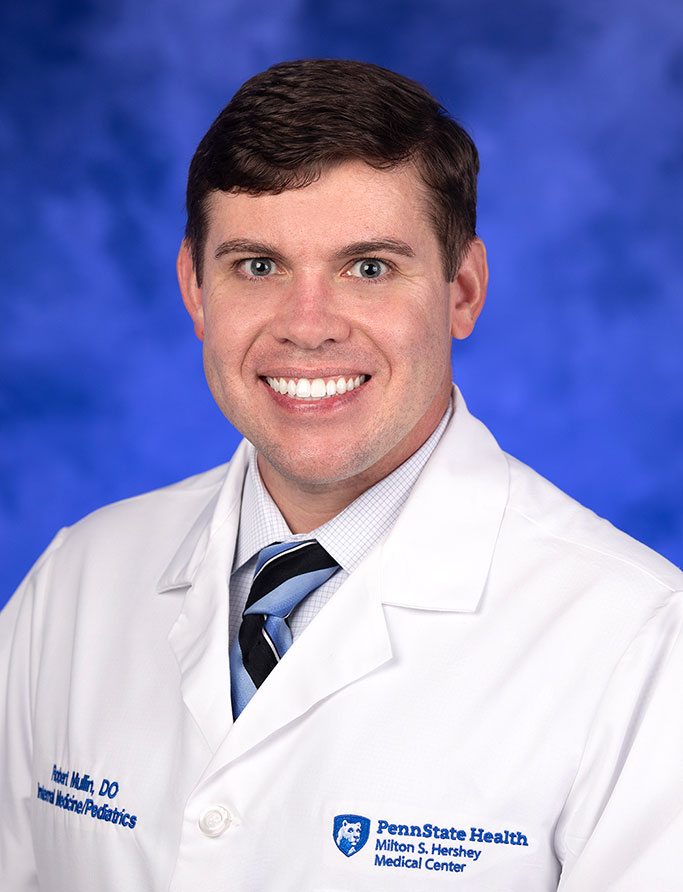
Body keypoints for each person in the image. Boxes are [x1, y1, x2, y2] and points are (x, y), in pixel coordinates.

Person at [1, 59, 682, 892]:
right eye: (258, 266)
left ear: (461, 291)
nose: (307, 327)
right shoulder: (77, 581)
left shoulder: (637, 640)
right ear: (194, 288)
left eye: (368, 268)